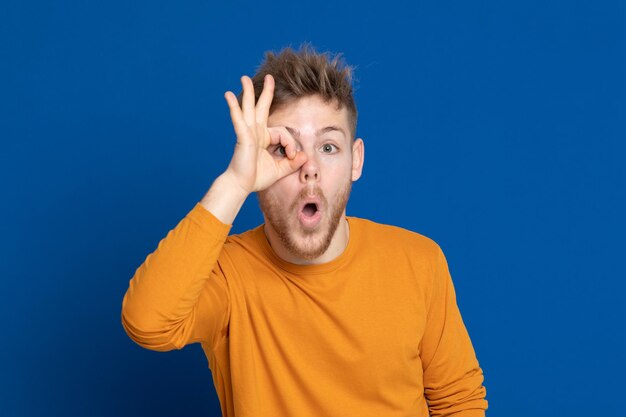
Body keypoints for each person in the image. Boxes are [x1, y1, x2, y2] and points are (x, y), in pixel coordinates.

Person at [121, 46, 488, 417]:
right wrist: (235, 182)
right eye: (285, 149)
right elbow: (147, 323)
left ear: (354, 161)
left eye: (328, 147)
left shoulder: (418, 262)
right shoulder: (227, 275)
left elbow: (460, 400)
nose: (308, 168)